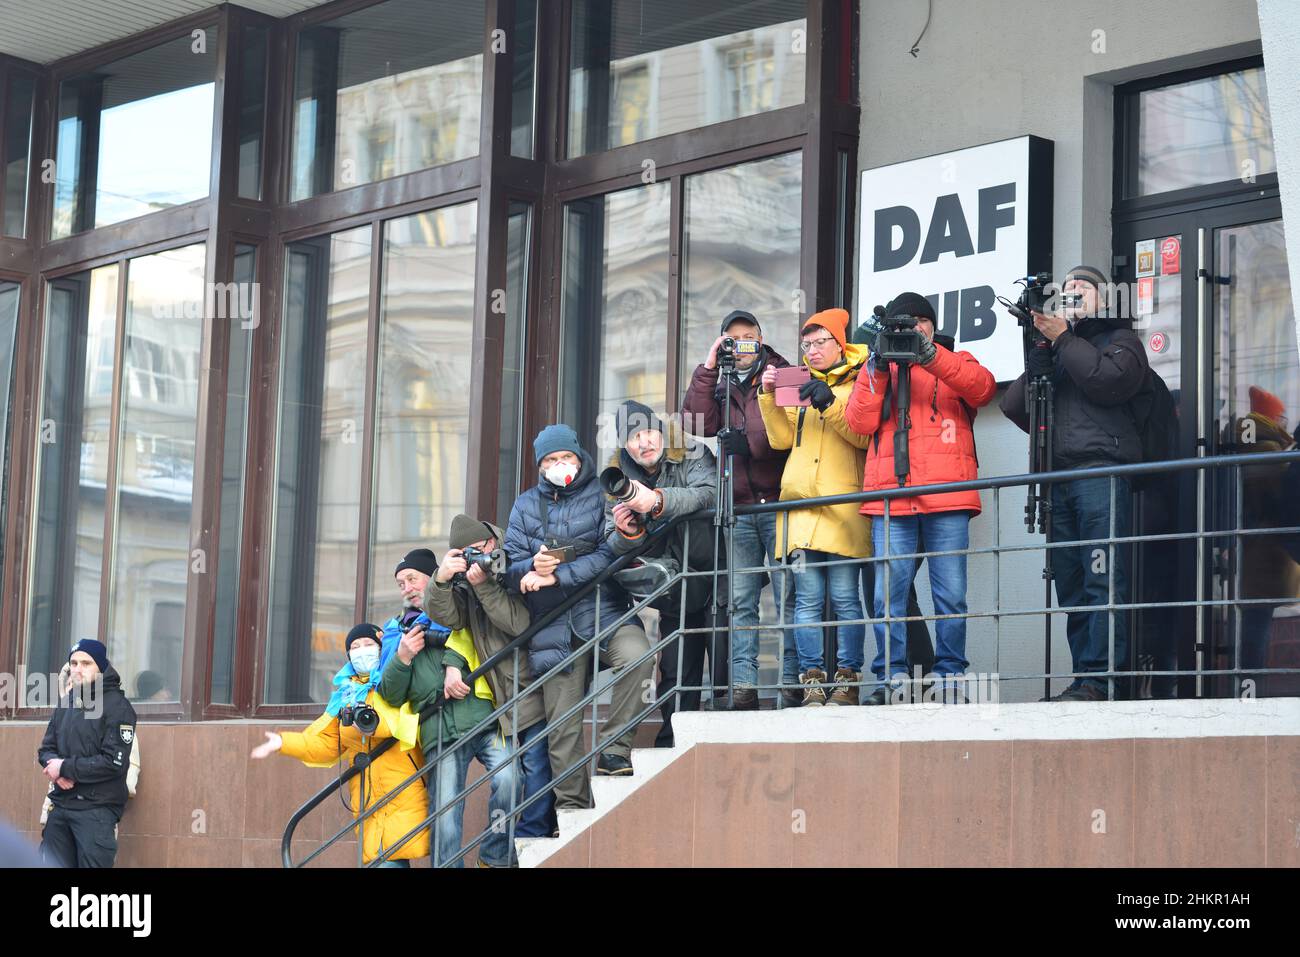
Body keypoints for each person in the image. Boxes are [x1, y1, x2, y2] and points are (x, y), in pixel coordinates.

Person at [1002, 265, 1147, 701]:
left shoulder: (1120, 340)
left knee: (1104, 577)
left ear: (1104, 299)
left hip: (1100, 472)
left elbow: (1109, 381)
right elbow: (1013, 406)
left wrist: (1065, 339)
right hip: (1059, 479)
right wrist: (1042, 355)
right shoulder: (1061, 352)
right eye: (1067, 288)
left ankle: (1106, 680)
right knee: (1072, 582)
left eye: (1083, 286)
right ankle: (1086, 677)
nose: (1073, 291)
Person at [846, 293, 997, 704]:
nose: (912, 329)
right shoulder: (878, 367)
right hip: (890, 499)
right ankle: (890, 680)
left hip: (946, 495)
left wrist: (931, 356)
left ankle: (949, 681)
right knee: (885, 598)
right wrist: (877, 365)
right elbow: (858, 421)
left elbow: (981, 389)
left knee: (950, 595)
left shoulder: (955, 358)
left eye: (919, 322)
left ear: (931, 325)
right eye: (903, 323)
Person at [505, 425, 655, 803]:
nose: (559, 465)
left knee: (638, 655)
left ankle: (614, 750)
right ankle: (572, 807)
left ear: (580, 457)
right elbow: (508, 566)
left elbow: (612, 552)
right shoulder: (524, 505)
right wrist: (527, 570)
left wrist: (557, 576)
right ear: (540, 467)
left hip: (604, 608)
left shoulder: (606, 493)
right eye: (551, 460)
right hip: (552, 626)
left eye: (565, 458)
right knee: (562, 730)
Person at [680, 309, 800, 707]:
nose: (744, 347)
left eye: (750, 338)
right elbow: (694, 422)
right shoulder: (721, 381)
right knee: (742, 602)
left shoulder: (782, 373)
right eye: (734, 340)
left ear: (762, 340)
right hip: (739, 508)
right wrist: (709, 366)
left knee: (788, 596)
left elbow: (794, 431)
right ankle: (744, 686)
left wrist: (748, 447)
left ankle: (791, 681)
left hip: (780, 503)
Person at [758, 308, 873, 706]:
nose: (812, 350)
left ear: (839, 343)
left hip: (844, 506)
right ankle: (811, 679)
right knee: (806, 601)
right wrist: (768, 397)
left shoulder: (864, 378)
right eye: (806, 344)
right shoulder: (798, 381)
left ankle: (847, 678)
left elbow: (863, 438)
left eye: (819, 342)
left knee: (845, 598)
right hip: (801, 508)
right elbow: (780, 440)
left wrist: (828, 403)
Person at [252, 624, 429, 867]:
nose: (362, 651)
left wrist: (368, 725)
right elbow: (326, 744)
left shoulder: (397, 678)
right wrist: (284, 742)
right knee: (383, 859)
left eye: (368, 645)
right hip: (368, 798)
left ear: (381, 648)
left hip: (402, 790)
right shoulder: (346, 695)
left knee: (391, 859)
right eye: (355, 648)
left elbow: (402, 723)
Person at [423, 514, 550, 842]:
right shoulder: (464, 582)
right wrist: (441, 580)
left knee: (534, 767)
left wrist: (484, 585)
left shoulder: (514, 561)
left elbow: (520, 625)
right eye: (464, 553)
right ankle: (506, 850)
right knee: (520, 771)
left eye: (477, 549)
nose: (474, 558)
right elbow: (450, 619)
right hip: (502, 695)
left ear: (492, 543)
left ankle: (528, 839)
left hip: (534, 683)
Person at [603, 399, 719, 747]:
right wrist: (628, 533)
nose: (645, 442)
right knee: (675, 670)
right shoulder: (616, 480)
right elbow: (608, 542)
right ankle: (674, 741)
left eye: (649, 432)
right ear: (626, 445)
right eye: (635, 437)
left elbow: (710, 494)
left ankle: (724, 736)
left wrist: (656, 501)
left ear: (662, 432)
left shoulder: (691, 452)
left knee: (725, 661)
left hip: (718, 573)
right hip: (673, 589)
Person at [37, 639, 137, 868]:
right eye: (73, 663)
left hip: (96, 811)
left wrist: (64, 767)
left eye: (86, 663)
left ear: (100, 668)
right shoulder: (68, 702)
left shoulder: (118, 707)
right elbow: (46, 749)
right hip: (61, 807)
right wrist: (57, 772)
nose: (77, 669)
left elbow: (114, 762)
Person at [1226, 387, 1299, 690]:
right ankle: (1250, 684)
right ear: (1270, 417)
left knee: (1256, 621)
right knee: (1257, 624)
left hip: (1258, 549)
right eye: (1280, 415)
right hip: (1263, 550)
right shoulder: (1267, 451)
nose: (1284, 421)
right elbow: (1274, 499)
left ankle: (1248, 681)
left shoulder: (1259, 446)